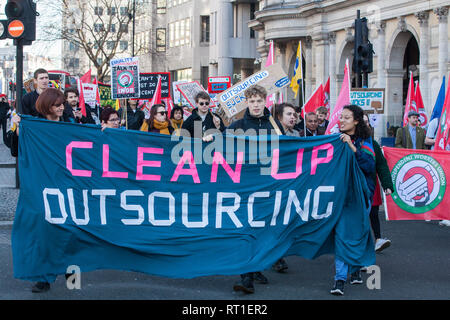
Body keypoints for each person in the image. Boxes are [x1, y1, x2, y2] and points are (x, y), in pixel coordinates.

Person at [11, 88, 72, 293]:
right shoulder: (33, 125)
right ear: (47, 106)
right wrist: (17, 129)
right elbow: (14, 148)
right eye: (57, 104)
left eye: (63, 103)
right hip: (41, 186)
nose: (62, 107)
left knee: (68, 228)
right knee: (44, 231)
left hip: (66, 185)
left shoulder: (70, 126)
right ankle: (43, 277)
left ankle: (71, 267)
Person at [227, 85, 284, 294]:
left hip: (268, 187)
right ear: (247, 103)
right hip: (244, 188)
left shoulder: (274, 125)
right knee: (246, 230)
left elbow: (287, 149)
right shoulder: (238, 125)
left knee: (264, 230)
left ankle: (257, 267)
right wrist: (209, 137)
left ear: (265, 101)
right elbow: (220, 143)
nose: (256, 105)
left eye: (259, 101)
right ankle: (247, 278)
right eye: (252, 101)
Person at [330, 104, 376, 296]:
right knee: (342, 234)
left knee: (357, 233)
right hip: (341, 195)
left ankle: (356, 266)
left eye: (346, 117)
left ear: (356, 120)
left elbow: (370, 166)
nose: (341, 120)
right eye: (341, 117)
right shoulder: (335, 140)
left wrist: (352, 147)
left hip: (361, 195)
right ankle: (339, 280)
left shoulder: (365, 142)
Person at [363, 114, 393, 253]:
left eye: (367, 122)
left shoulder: (372, 143)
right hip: (354, 184)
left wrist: (387, 184)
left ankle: (378, 239)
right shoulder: (347, 141)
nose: (366, 125)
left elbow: (381, 164)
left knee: (373, 212)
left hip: (371, 183)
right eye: (363, 122)